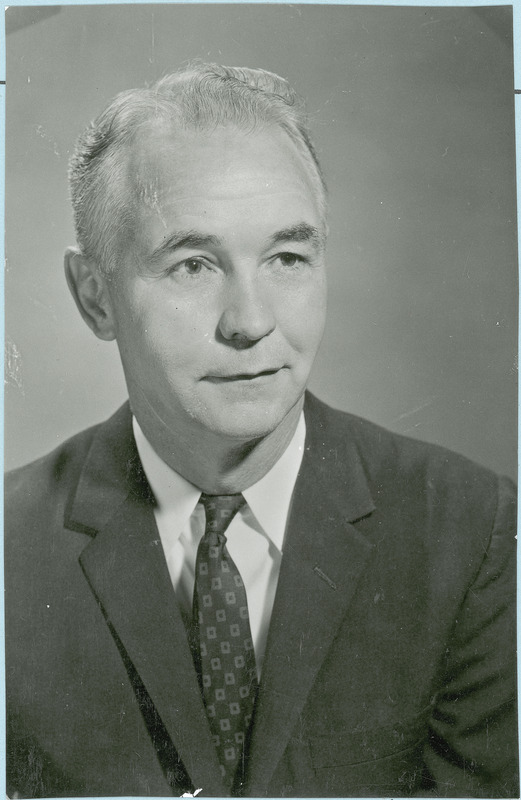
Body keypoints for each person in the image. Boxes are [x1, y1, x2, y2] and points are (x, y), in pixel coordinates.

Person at [5, 62, 517, 799]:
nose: (250, 322)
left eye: (286, 257)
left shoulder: (470, 530)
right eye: (192, 265)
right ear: (95, 297)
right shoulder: (8, 551)